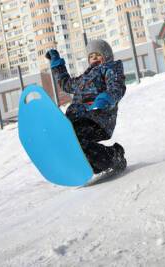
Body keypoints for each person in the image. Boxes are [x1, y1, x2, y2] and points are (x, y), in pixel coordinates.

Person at [46, 39, 126, 174]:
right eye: (91, 56)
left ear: (107, 56)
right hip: (78, 119)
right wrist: (56, 63)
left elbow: (117, 87)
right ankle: (92, 165)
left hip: (98, 119)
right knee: (70, 142)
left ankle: (114, 156)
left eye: (98, 55)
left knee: (76, 140)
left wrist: (106, 98)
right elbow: (67, 84)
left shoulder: (110, 69)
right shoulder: (84, 78)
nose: (94, 58)